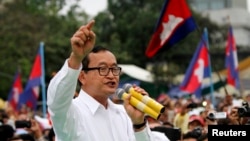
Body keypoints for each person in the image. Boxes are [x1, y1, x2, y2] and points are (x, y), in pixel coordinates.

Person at [47, 20, 169, 141]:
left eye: (114, 68)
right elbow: (57, 101)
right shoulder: (72, 113)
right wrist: (76, 58)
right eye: (103, 68)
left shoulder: (125, 113)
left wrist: (139, 124)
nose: (111, 75)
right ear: (82, 76)